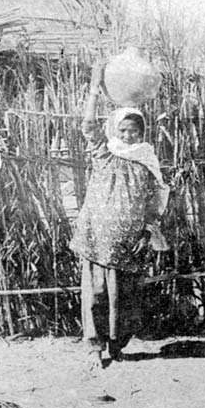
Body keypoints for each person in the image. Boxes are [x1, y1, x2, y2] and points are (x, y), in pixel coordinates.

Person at [71, 61, 170, 365]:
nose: (128, 136)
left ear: (143, 131)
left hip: (130, 244)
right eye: (123, 129)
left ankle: (117, 347)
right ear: (115, 130)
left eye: (134, 130)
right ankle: (94, 349)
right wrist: (93, 86)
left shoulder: (147, 159)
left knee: (125, 299)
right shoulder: (104, 151)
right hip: (97, 239)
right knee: (96, 295)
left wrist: (146, 232)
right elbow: (87, 125)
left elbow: (154, 204)